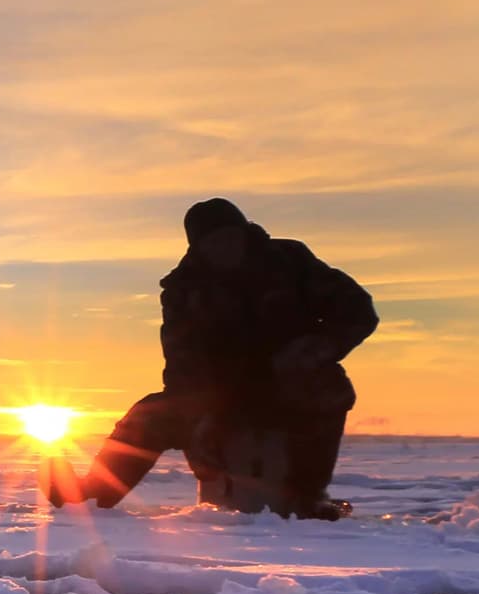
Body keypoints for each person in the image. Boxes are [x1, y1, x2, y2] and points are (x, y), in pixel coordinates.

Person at [62, 198, 377, 519]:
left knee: (326, 389)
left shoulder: (289, 261)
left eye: (230, 236)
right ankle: (93, 495)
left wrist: (309, 352)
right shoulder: (183, 289)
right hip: (221, 393)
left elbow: (358, 311)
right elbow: (181, 361)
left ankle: (309, 497)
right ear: (198, 248)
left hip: (291, 382)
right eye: (213, 242)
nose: (224, 247)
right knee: (150, 414)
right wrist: (204, 414)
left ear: (244, 233)